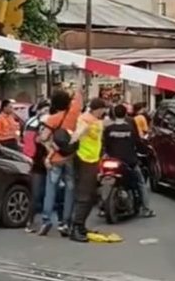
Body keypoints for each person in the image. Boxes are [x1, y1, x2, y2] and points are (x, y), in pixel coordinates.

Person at [37, 82, 83, 237]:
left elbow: (43, 137)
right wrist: (72, 87)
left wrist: (51, 149)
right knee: (70, 190)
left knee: (51, 189)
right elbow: (79, 94)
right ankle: (66, 222)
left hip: (55, 160)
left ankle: (46, 220)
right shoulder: (75, 113)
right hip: (70, 157)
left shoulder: (52, 119)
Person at [103, 104, 155, 218]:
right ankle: (146, 209)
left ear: (114, 114)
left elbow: (104, 145)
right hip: (129, 161)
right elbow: (138, 143)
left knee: (102, 180)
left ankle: (102, 208)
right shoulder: (130, 128)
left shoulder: (108, 129)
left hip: (112, 160)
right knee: (141, 183)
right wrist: (145, 151)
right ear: (126, 114)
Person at [69, 98, 107, 242]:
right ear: (99, 108)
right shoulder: (85, 119)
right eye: (103, 109)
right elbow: (79, 132)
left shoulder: (97, 120)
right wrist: (75, 137)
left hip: (93, 160)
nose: (104, 112)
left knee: (91, 196)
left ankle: (81, 226)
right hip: (84, 160)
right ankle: (76, 228)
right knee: (84, 196)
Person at [22, 100, 52, 232]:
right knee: (37, 193)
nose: (46, 113)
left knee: (47, 194)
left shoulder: (48, 123)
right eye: (44, 110)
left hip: (48, 162)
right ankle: (30, 221)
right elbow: (29, 144)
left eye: (48, 110)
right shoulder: (33, 125)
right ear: (38, 110)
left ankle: (45, 220)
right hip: (38, 163)